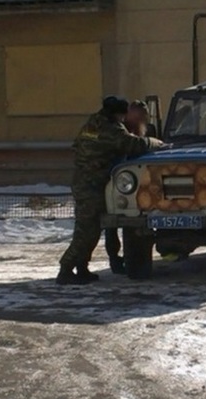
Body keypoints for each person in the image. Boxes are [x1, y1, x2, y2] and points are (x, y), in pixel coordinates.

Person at [56, 96, 164, 285]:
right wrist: (158, 143)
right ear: (118, 114)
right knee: (86, 232)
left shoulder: (93, 123)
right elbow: (134, 144)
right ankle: (65, 269)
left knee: (91, 230)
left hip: (86, 182)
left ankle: (82, 269)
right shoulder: (110, 129)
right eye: (123, 116)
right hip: (91, 185)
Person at [105, 100, 151, 274]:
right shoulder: (118, 130)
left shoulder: (137, 129)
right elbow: (135, 145)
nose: (141, 118)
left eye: (143, 115)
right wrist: (153, 143)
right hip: (109, 180)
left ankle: (122, 259)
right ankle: (114, 260)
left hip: (129, 184)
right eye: (138, 114)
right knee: (110, 226)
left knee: (126, 226)